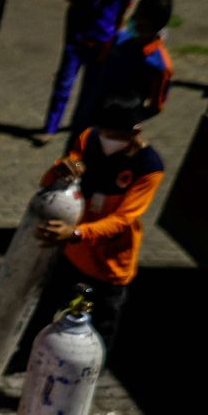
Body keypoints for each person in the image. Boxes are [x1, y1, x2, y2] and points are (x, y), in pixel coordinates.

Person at [22, 92, 164, 356]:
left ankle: (86, 380)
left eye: (114, 133)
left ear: (135, 131)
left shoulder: (148, 167)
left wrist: (75, 232)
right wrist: (62, 167)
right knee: (44, 310)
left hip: (109, 265)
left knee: (99, 333)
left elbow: (123, 219)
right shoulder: (89, 139)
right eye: (104, 130)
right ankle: (26, 356)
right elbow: (51, 180)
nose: (106, 137)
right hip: (73, 255)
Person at [68, 0, 174, 142]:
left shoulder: (160, 66)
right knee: (72, 158)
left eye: (140, 19)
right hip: (87, 119)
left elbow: (155, 106)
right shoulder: (118, 40)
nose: (135, 20)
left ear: (154, 26)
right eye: (136, 15)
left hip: (113, 133)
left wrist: (127, 120)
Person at [41, 0, 132, 139]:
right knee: (64, 82)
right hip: (78, 35)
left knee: (90, 90)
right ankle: (51, 127)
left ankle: (79, 127)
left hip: (103, 41)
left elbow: (123, 11)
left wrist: (116, 34)